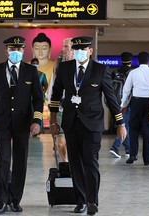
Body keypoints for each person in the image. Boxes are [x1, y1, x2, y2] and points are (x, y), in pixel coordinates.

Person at [49, 36, 127, 215]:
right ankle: (81, 200)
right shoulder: (65, 68)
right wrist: (53, 121)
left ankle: (92, 201)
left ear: (90, 51)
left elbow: (111, 98)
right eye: (76, 49)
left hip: (92, 123)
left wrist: (120, 123)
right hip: (71, 122)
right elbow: (55, 95)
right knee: (75, 163)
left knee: (90, 161)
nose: (79, 52)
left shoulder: (100, 70)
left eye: (83, 49)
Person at [0, 36, 43, 215]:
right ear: (6, 51)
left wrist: (36, 121)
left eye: (19, 49)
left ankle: (15, 200)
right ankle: (1, 201)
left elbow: (38, 99)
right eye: (12, 49)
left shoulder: (31, 71)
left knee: (20, 162)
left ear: (24, 51)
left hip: (23, 123)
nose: (16, 52)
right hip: (1, 122)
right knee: (3, 160)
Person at [121, 52, 149, 165]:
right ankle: (147, 160)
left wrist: (123, 105)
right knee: (148, 131)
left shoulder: (133, 72)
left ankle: (133, 155)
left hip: (136, 102)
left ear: (138, 61)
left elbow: (126, 90)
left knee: (133, 129)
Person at [48, 38, 74, 162]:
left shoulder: (79, 64)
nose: (63, 49)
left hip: (75, 107)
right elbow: (53, 85)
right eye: (63, 46)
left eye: (66, 47)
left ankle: (74, 164)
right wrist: (51, 107)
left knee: (73, 140)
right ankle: (66, 164)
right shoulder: (58, 63)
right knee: (60, 141)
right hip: (60, 107)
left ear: (73, 49)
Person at [109, 52, 133, 158]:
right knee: (124, 125)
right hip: (127, 103)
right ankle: (115, 147)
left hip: (115, 103)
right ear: (130, 62)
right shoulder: (132, 73)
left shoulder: (115, 73)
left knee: (124, 124)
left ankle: (128, 149)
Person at [31, 57, 48, 132]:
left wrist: (42, 93)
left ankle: (39, 129)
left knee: (38, 112)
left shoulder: (42, 75)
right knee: (30, 112)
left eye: (36, 64)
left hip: (39, 97)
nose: (35, 65)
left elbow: (46, 85)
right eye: (33, 64)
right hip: (29, 97)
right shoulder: (28, 74)